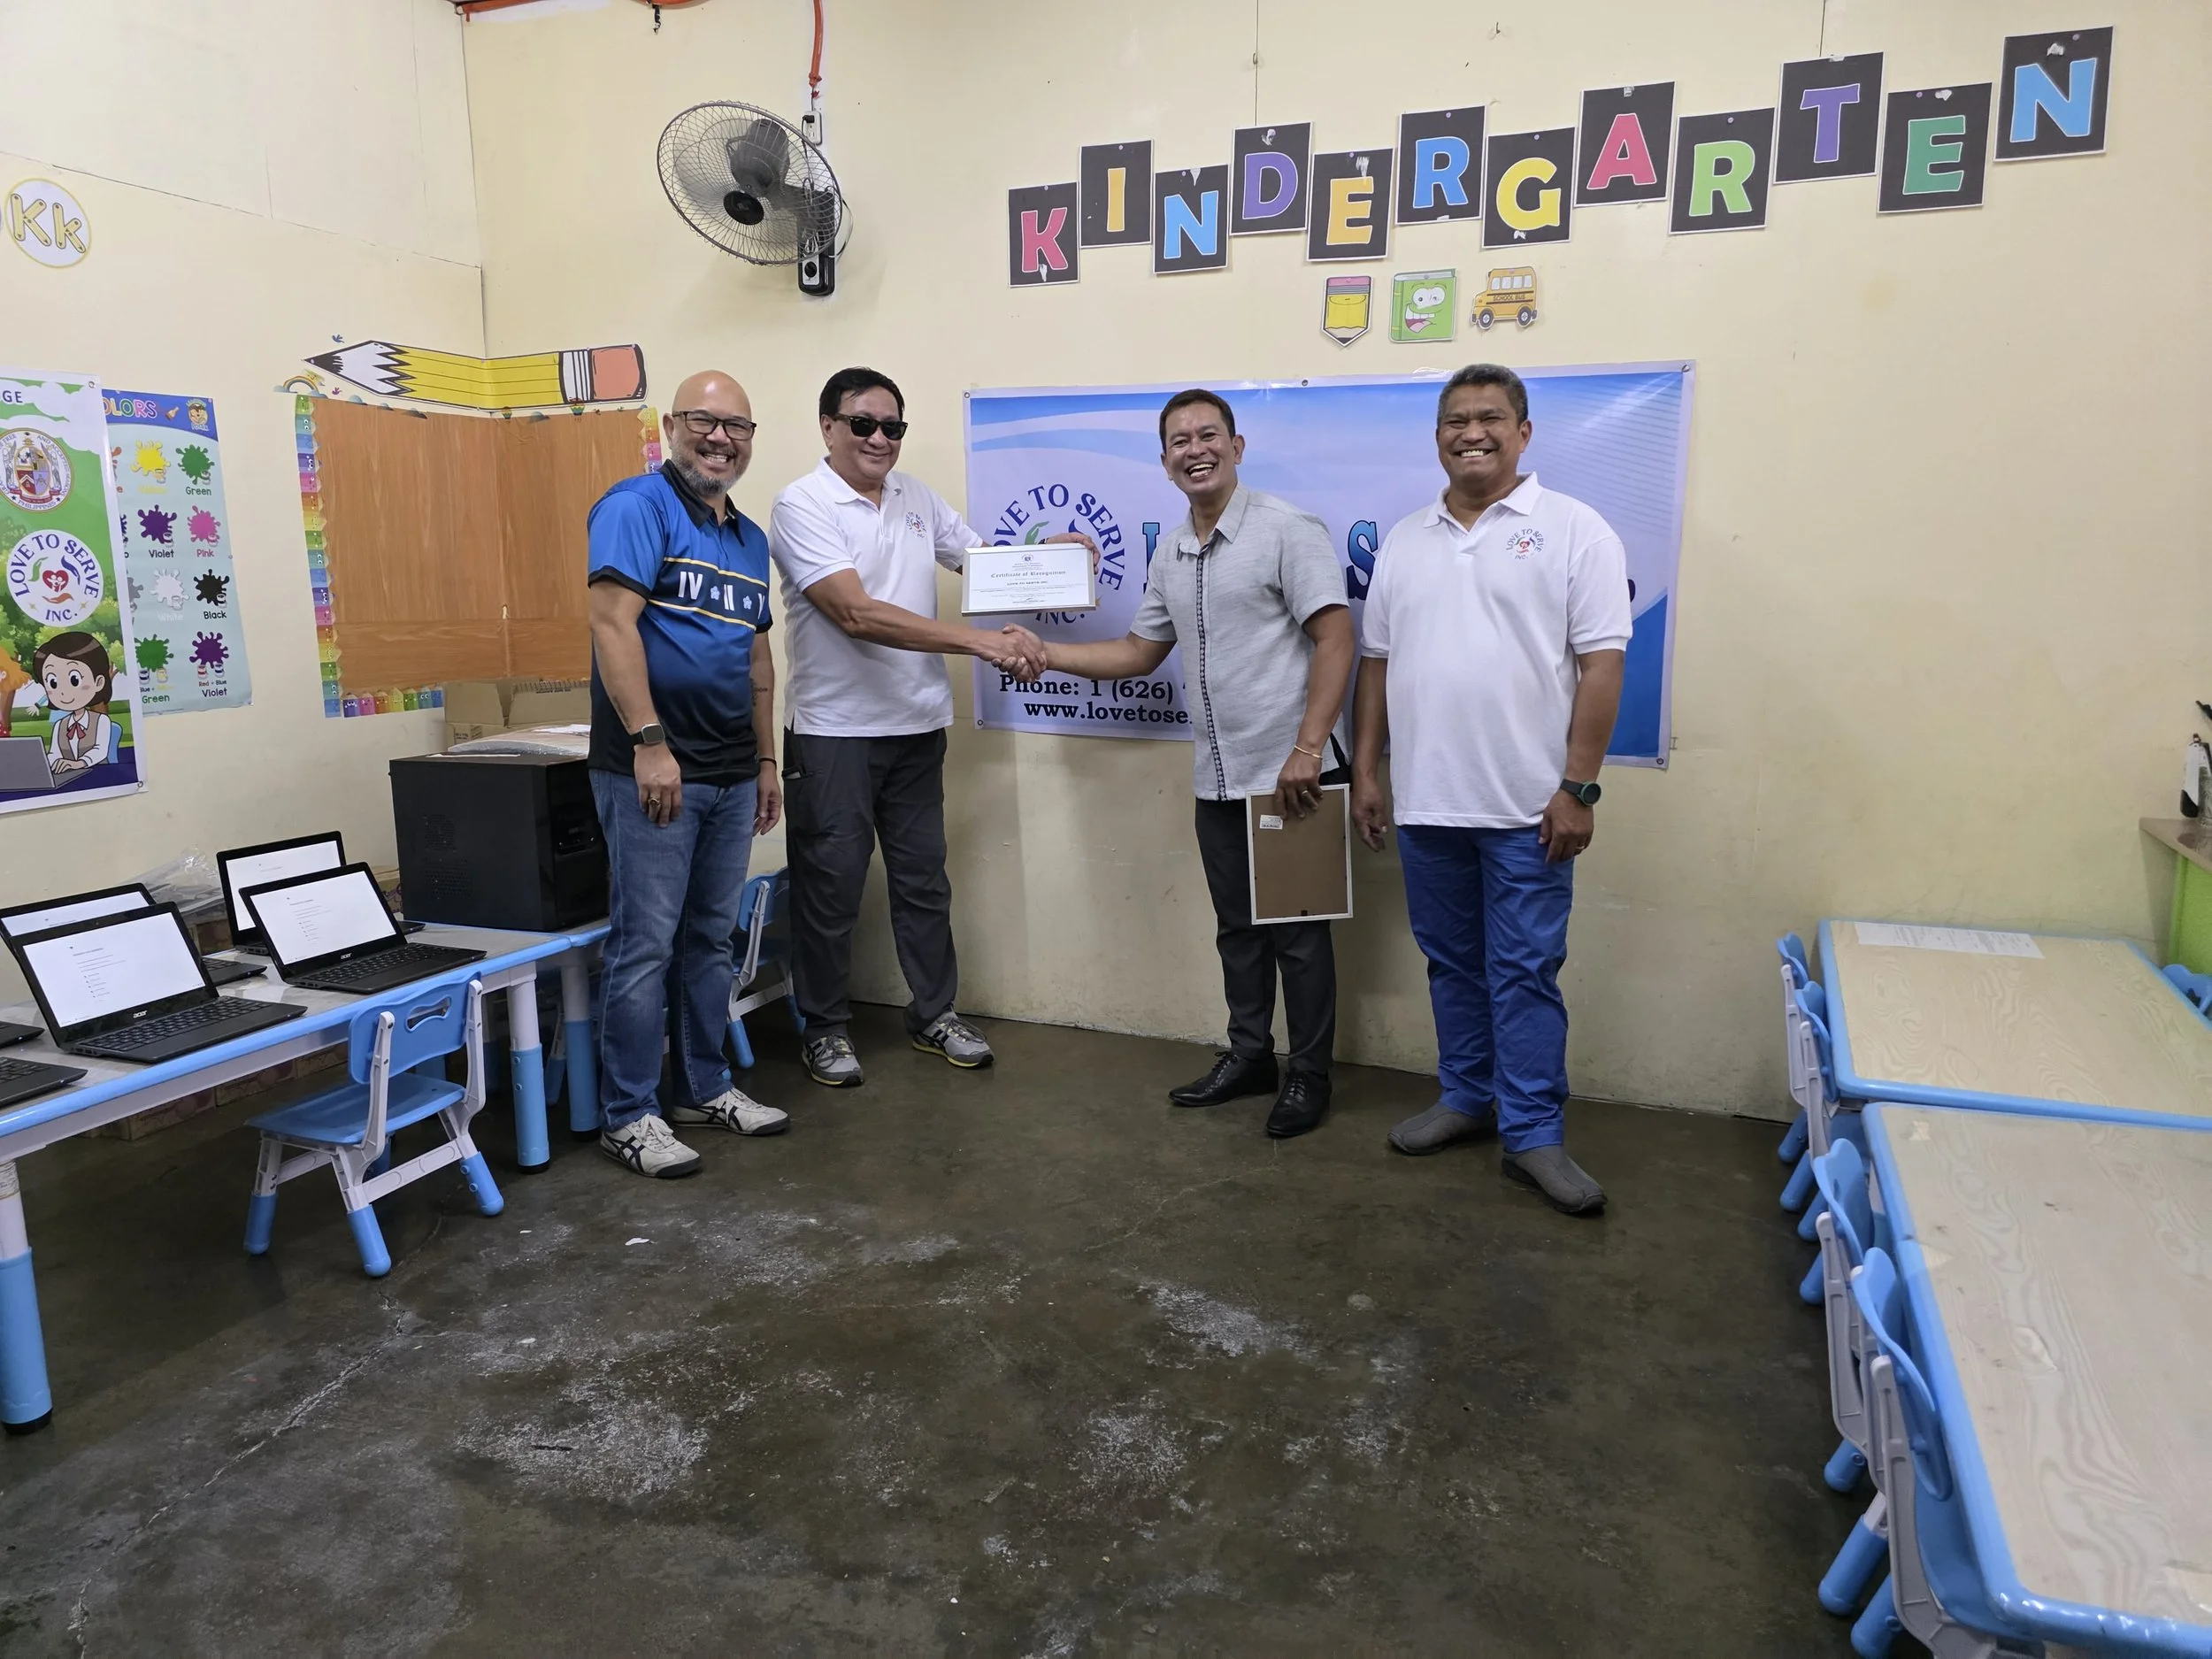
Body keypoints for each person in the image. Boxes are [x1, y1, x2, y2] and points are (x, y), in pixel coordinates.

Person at [1039, 389, 1356, 1138]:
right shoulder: (1172, 549)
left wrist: (1309, 748)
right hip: (1217, 777)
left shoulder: (1287, 530)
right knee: (1237, 929)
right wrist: (1043, 654)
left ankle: (1310, 1077)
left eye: (1208, 434)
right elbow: (1138, 651)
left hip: (1292, 777)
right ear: (1164, 461)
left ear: (1237, 447)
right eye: (1179, 440)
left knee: (1299, 937)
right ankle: (1251, 1057)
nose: (1195, 449)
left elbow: (1337, 638)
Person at [1351, 364, 1629, 1217]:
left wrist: (1578, 787)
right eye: (1456, 420)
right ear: (1437, 435)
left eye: (1491, 419)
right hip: (1431, 803)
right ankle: (1467, 1098)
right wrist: (1367, 768)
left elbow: (1603, 663)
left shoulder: (1576, 531)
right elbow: (1377, 665)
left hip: (1528, 810)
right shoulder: (1405, 539)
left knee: (1525, 971)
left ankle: (1534, 1133)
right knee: (1453, 965)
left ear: (1524, 432)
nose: (1472, 432)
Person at [768, 366, 1088, 1088]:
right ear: (829, 427)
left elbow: (985, 568)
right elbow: (856, 613)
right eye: (863, 424)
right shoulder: (802, 505)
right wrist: (979, 643)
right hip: (834, 733)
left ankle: (934, 1012)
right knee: (831, 886)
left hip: (916, 727)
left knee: (922, 882)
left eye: (893, 427)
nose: (880, 439)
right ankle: (823, 1027)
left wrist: (1055, 558)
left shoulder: (918, 498)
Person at [587, 369, 789, 1179]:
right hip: (654, 770)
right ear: (672, 425)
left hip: (732, 772)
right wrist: (648, 741)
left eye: (736, 426)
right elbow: (612, 622)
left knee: (711, 939)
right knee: (644, 946)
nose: (720, 438)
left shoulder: (749, 539)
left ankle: (705, 1086)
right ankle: (629, 1113)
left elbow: (757, 657)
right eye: (704, 421)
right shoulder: (636, 508)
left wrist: (767, 758)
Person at [35, 632, 119, 775]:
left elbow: (99, 751)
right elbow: (55, 753)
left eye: (74, 680)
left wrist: (78, 763)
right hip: (69, 776)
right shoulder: (60, 726)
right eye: (53, 683)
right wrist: (43, 765)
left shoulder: (101, 721)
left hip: (99, 775)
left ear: (98, 682)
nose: (63, 691)